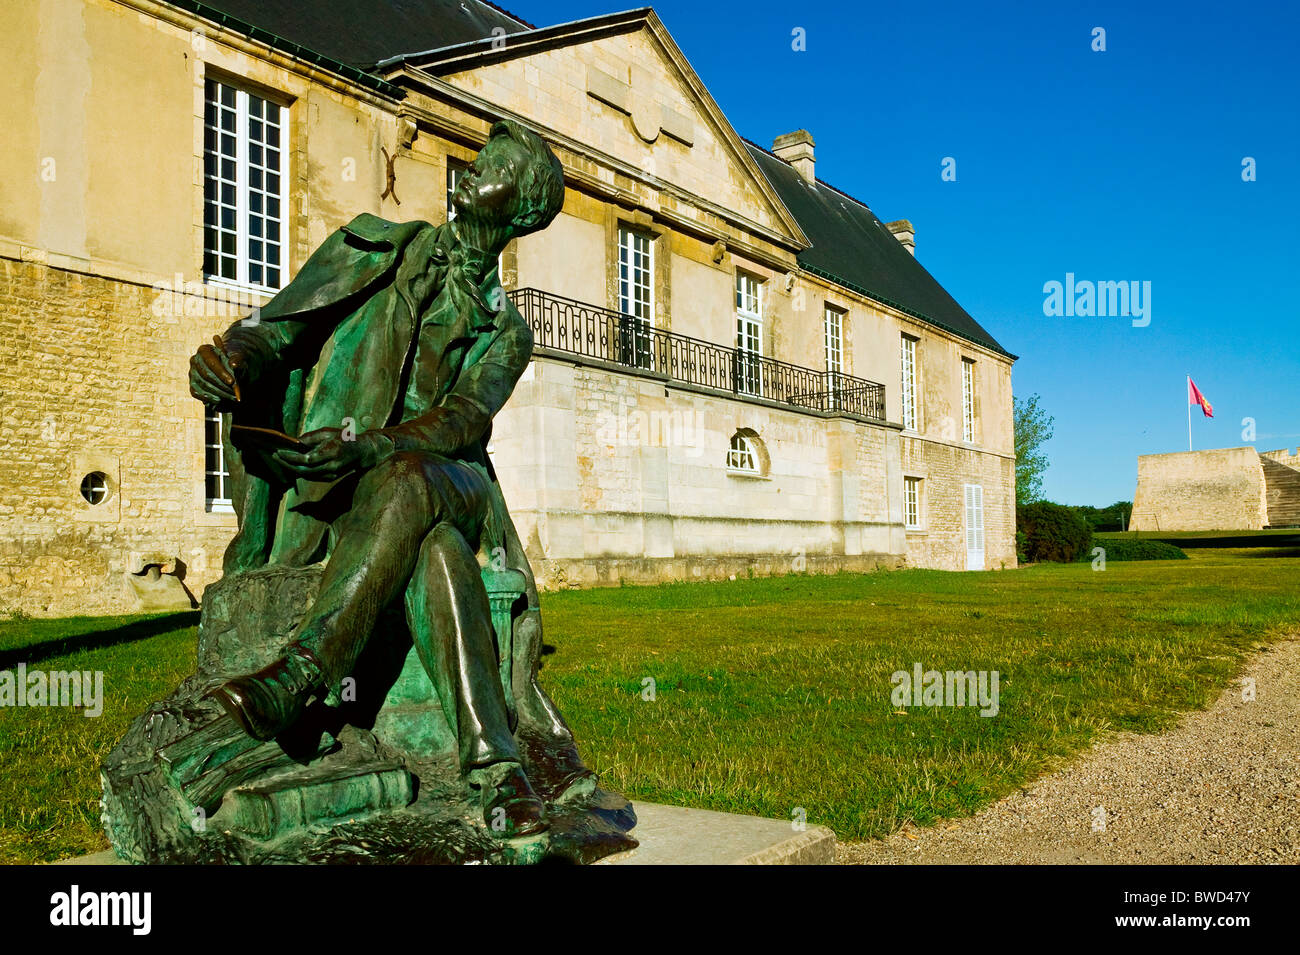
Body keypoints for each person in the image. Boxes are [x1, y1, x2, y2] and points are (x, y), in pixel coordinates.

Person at [188, 119, 573, 838]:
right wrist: (229, 358)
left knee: (408, 477)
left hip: (452, 482)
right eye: (477, 157)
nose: (468, 171)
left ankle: (301, 674)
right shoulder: (371, 248)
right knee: (434, 554)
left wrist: (369, 448)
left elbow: (462, 420)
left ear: (519, 210)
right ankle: (497, 769)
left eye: (490, 167)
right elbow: (276, 329)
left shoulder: (506, 330)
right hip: (358, 500)